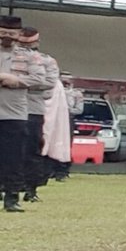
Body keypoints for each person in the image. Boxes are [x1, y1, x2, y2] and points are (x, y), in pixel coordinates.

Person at [0, 16, 53, 214]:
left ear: (18, 35)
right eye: (3, 33)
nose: (6, 37)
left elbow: (40, 78)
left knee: (13, 157)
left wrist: (16, 80)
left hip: (15, 113)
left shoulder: (30, 57)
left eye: (11, 34)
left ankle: (12, 198)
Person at [15, 29, 59, 202]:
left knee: (32, 150)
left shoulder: (47, 61)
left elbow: (48, 83)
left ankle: (30, 188)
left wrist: (16, 83)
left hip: (32, 109)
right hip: (7, 108)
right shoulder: (8, 57)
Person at [52, 74, 84, 181]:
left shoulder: (76, 94)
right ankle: (50, 170)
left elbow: (79, 110)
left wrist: (65, 109)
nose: (65, 83)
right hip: (53, 119)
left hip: (68, 119)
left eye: (67, 81)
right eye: (63, 81)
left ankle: (63, 171)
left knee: (65, 145)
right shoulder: (52, 91)